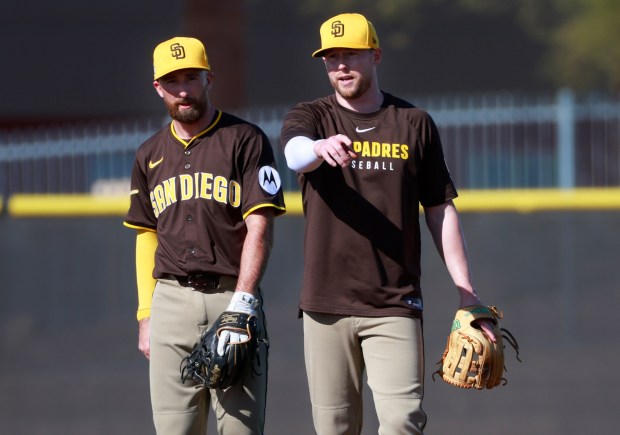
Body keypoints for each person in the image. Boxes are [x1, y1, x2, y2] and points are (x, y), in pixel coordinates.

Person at [280, 13, 496, 435]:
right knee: (335, 428)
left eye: (351, 55)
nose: (341, 65)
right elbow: (294, 155)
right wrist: (320, 147)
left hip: (393, 302)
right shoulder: (311, 117)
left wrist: (467, 295)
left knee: (402, 422)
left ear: (375, 55)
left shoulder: (413, 123)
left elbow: (440, 210)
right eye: (331, 57)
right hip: (326, 303)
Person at [124, 36, 286, 435]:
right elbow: (147, 235)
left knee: (241, 430)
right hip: (170, 303)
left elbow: (260, 225)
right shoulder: (149, 154)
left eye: (191, 78)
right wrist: (147, 315)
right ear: (157, 87)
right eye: (172, 80)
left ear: (209, 78)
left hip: (232, 297)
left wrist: (244, 302)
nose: (183, 89)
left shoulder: (245, 140)